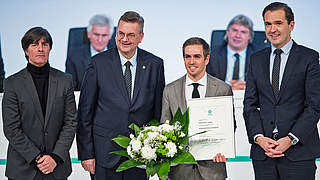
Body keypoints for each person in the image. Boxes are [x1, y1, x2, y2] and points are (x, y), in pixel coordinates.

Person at [76, 11, 165, 180]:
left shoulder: (155, 64)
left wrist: (157, 157)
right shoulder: (98, 63)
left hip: (140, 157)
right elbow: (85, 113)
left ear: (141, 36)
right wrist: (86, 153)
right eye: (121, 34)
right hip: (105, 155)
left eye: (131, 35)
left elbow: (157, 112)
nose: (124, 39)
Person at [243, 2, 320, 180]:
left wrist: (290, 139)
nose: (272, 29)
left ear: (291, 25)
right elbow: (250, 105)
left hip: (298, 154)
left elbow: (314, 106)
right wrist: (259, 138)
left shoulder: (309, 57)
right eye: (268, 24)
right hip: (264, 154)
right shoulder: (256, 59)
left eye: (278, 23)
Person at [2, 27, 77, 180]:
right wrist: (37, 158)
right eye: (35, 45)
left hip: (56, 168)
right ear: (26, 50)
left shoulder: (65, 81)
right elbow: (11, 128)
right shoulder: (12, 83)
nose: (40, 49)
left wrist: (55, 157)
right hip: (23, 170)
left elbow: (70, 122)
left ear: (50, 48)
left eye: (45, 44)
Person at [161, 37, 234, 180]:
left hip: (213, 170)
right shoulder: (170, 90)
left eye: (197, 56)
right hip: (179, 172)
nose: (191, 61)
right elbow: (165, 128)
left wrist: (223, 149)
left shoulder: (223, 89)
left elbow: (230, 126)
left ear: (206, 59)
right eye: (187, 56)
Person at [206, 14, 259, 90]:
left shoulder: (259, 56)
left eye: (243, 32)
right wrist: (228, 87)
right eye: (234, 30)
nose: (238, 35)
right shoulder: (212, 54)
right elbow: (205, 83)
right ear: (227, 32)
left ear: (250, 36)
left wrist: (247, 87)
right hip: (220, 97)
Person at [65, 14, 115, 91]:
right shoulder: (75, 57)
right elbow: (70, 90)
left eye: (104, 35)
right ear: (89, 34)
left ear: (110, 36)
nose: (100, 40)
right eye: (96, 35)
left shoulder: (121, 54)